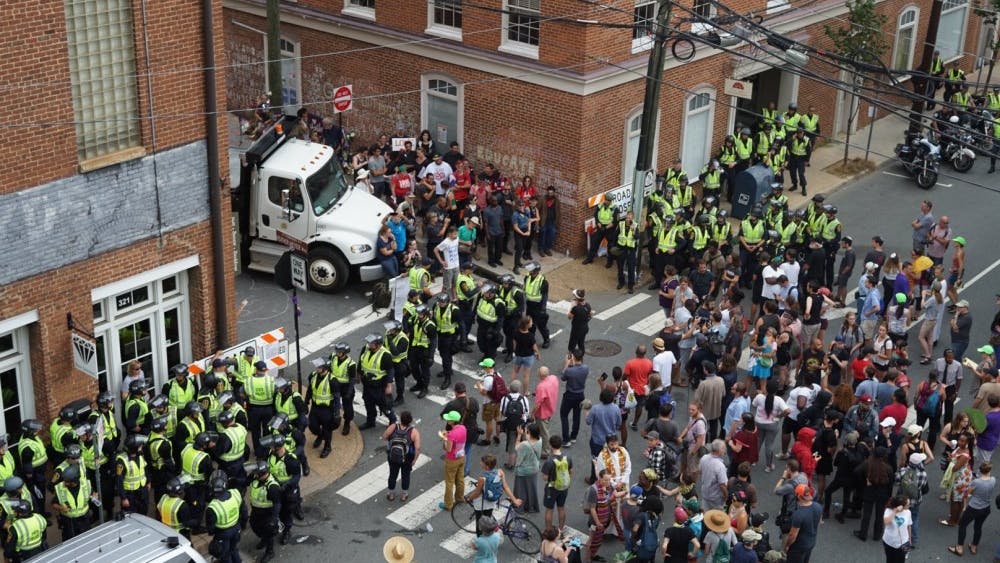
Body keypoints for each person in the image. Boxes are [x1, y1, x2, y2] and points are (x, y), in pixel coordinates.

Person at [464, 454, 521, 535]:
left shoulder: (482, 478)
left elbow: (477, 493)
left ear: (486, 466)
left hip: (481, 504)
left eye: (482, 462)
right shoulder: (500, 472)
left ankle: (480, 540)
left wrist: (469, 498)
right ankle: (488, 534)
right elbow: (505, 487)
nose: (480, 463)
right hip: (492, 502)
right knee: (488, 518)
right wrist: (514, 500)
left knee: (480, 523)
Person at [948, 462, 995, 556]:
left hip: (974, 508)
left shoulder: (976, 482)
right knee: (978, 527)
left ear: (980, 470)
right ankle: (974, 546)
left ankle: (959, 547)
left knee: (962, 525)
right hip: (986, 508)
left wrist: (965, 506)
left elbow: (967, 494)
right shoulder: (993, 480)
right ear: (989, 470)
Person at [584, 469, 625, 562]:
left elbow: (615, 494)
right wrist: (598, 522)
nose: (608, 482)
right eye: (605, 480)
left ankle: (592, 556)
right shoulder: (593, 490)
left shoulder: (608, 486)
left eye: (609, 480)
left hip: (605, 519)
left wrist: (626, 493)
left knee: (597, 541)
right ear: (600, 478)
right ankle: (587, 560)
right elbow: (592, 509)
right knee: (592, 540)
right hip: (595, 522)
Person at [358, 334, 397, 430]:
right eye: (369, 343)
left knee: (384, 405)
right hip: (367, 384)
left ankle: (392, 420)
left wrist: (389, 385)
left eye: (372, 343)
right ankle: (370, 422)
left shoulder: (385, 355)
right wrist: (358, 375)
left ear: (378, 345)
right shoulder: (365, 349)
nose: (369, 344)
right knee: (368, 403)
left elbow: (390, 371)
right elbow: (361, 362)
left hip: (379, 386)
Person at [246, 461, 281, 562]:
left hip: (267, 514)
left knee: (268, 532)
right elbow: (246, 481)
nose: (254, 475)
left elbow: (277, 504)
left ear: (263, 474)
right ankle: (264, 538)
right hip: (256, 511)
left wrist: (273, 519)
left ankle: (270, 551)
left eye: (257, 473)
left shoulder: (272, 487)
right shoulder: (256, 477)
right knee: (254, 525)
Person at [383, 410, 420, 502]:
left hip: (393, 457)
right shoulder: (414, 432)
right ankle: (404, 494)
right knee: (405, 475)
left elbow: (384, 437)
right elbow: (418, 448)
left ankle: (391, 494)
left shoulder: (393, 427)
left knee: (392, 474)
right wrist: (414, 460)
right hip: (407, 458)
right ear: (410, 421)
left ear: (400, 419)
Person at [895, 452, 929, 548]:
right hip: (915, 501)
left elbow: (897, 482)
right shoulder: (923, 473)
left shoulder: (903, 471)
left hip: (902, 499)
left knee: (900, 517)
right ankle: (913, 540)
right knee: (914, 519)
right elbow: (923, 487)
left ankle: (900, 538)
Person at [940, 431, 975, 527]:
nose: (959, 442)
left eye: (962, 441)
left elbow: (955, 468)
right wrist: (952, 459)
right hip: (962, 476)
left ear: (967, 443)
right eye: (959, 440)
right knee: (959, 499)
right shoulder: (961, 448)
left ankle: (952, 520)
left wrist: (951, 460)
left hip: (960, 478)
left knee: (955, 500)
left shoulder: (964, 455)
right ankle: (957, 518)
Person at [50, 463, 92, 541]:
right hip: (69, 522)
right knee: (70, 541)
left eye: (67, 481)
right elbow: (53, 503)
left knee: (86, 539)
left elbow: (92, 493)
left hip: (84, 520)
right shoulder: (60, 488)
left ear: (74, 481)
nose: (64, 483)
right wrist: (61, 508)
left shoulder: (85, 485)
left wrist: (95, 495)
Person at [783, 484, 822, 563]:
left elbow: (792, 535)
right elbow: (819, 522)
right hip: (811, 542)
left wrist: (787, 546)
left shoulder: (798, 514)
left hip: (798, 547)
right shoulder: (818, 506)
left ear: (798, 496)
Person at [541, 435, 572, 532]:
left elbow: (545, 478)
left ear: (551, 445)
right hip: (564, 487)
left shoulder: (549, 461)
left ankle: (549, 530)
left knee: (549, 510)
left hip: (552, 488)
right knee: (561, 508)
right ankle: (561, 528)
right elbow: (571, 472)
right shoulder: (568, 458)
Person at [560, 350, 589, 447]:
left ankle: (566, 439)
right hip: (580, 395)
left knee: (564, 415)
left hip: (570, 395)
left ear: (573, 358)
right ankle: (573, 437)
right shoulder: (586, 368)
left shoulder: (569, 370)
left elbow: (563, 377)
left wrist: (567, 364)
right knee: (576, 416)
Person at [439, 410, 467, 511]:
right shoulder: (463, 428)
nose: (447, 420)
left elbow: (448, 449)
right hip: (462, 457)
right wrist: (448, 434)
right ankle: (460, 498)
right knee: (460, 478)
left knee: (449, 482)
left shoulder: (451, 435)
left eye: (448, 419)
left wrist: (444, 439)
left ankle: (448, 504)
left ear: (452, 421)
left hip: (452, 460)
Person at [513, 422, 542, 514]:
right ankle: (531, 507)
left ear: (529, 432)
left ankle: (520, 508)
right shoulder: (540, 440)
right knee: (531, 489)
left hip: (523, 470)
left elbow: (517, 448)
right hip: (534, 468)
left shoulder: (525, 445)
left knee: (521, 490)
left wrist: (519, 435)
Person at [881, 496, 912, 563]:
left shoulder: (908, 512)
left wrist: (909, 540)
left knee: (901, 560)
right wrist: (895, 511)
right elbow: (886, 522)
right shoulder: (888, 511)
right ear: (901, 506)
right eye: (908, 504)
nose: (910, 505)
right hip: (889, 542)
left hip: (903, 542)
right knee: (890, 560)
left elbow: (909, 526)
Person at [567, 289, 593, 355]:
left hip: (576, 330)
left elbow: (569, 317)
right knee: (581, 343)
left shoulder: (575, 308)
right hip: (584, 328)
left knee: (571, 346)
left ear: (577, 298)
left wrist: (572, 306)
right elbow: (590, 315)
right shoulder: (587, 305)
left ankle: (571, 359)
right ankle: (580, 358)